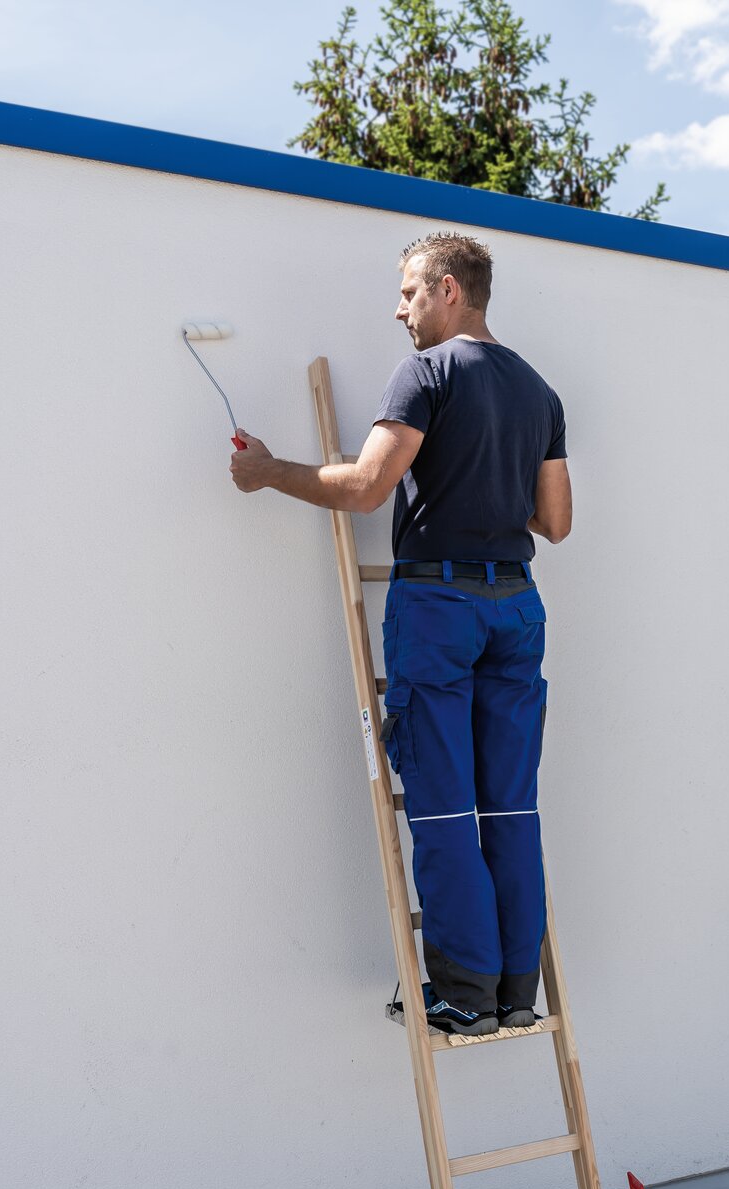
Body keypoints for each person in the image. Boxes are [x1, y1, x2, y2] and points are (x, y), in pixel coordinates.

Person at [230, 230, 572, 1035]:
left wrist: (270, 470)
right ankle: (516, 993)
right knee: (510, 810)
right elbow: (554, 522)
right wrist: (487, 496)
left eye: (410, 290)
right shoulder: (539, 390)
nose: (400, 308)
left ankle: (461, 996)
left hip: (441, 608)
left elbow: (364, 489)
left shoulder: (427, 371)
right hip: (517, 607)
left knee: (448, 809)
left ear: (450, 289)